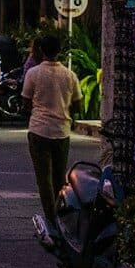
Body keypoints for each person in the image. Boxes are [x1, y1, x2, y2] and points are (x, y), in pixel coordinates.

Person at [22, 33, 83, 227]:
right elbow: (78, 105)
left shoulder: (33, 73)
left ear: (41, 50)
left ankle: (51, 217)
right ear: (59, 51)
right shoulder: (69, 74)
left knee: (44, 178)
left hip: (39, 130)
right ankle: (60, 213)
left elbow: (25, 101)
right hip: (61, 131)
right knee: (59, 176)